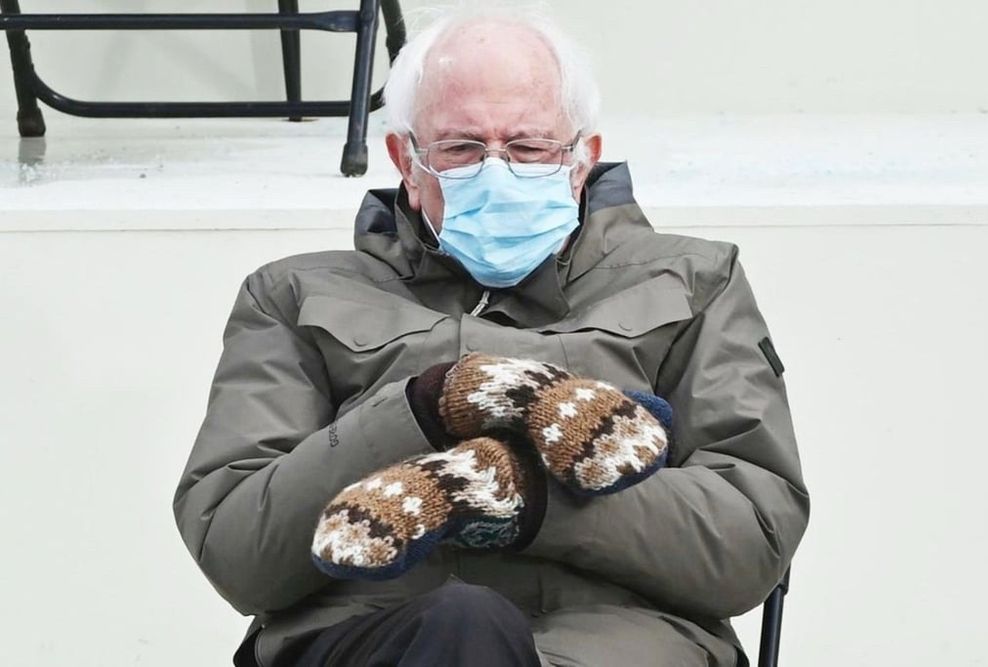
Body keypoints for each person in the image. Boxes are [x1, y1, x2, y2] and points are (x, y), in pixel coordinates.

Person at [173, 8, 809, 667]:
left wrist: (525, 496)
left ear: (581, 160)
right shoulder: (293, 295)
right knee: (462, 623)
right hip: (378, 640)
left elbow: (749, 543)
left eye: (530, 148)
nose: (497, 172)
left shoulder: (694, 282)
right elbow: (238, 551)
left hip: (622, 646)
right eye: (462, 148)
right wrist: (423, 406)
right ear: (406, 161)